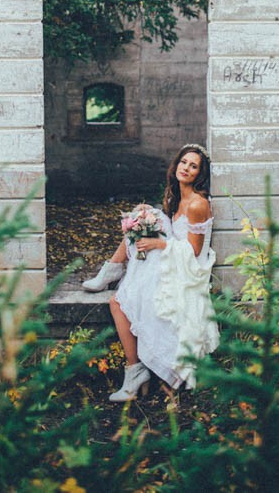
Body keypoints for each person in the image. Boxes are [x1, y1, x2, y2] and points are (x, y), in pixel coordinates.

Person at [82, 143, 220, 401]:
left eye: (193, 166)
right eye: (183, 162)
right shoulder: (175, 196)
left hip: (187, 270)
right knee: (143, 219)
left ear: (200, 174)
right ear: (176, 164)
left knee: (119, 301)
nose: (186, 168)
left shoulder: (197, 204)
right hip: (171, 255)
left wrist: (159, 243)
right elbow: (172, 230)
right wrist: (150, 216)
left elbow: (194, 253)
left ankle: (135, 371)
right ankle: (110, 272)